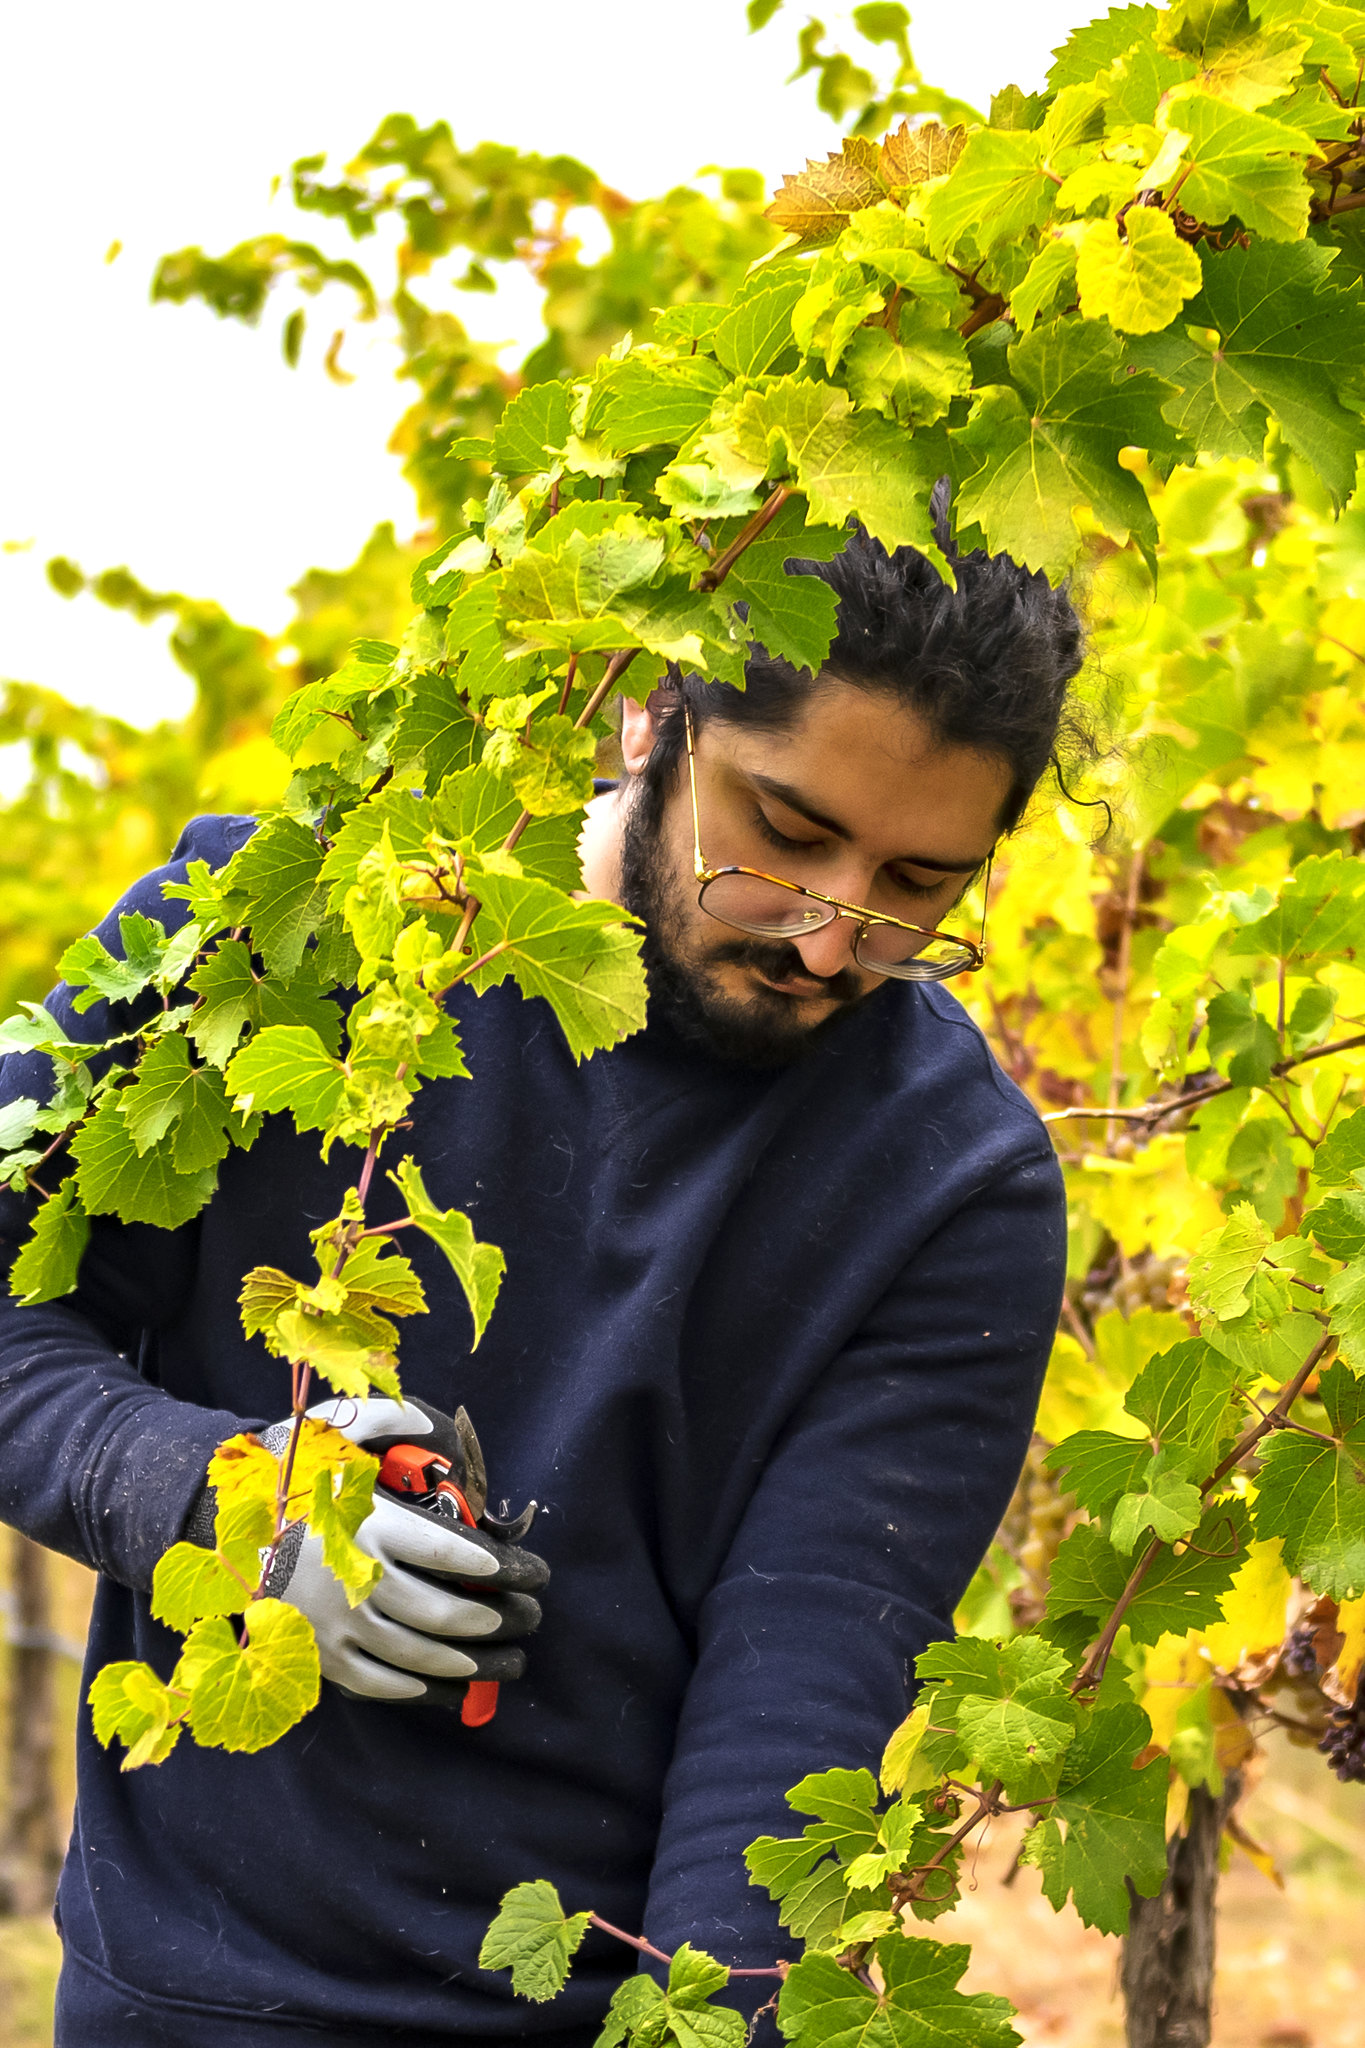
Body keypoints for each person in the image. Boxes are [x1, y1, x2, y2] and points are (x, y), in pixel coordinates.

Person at [0, 522, 1080, 2047]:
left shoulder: (951, 1183)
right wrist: (205, 1494)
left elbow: (796, 1700)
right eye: (781, 832)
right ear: (650, 720)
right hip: (183, 1991)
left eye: (918, 885)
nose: (833, 940)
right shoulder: (284, 936)